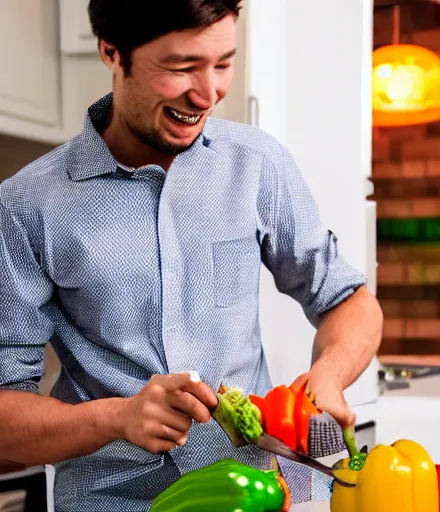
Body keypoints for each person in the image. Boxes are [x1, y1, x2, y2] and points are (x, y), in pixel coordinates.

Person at [0, 1, 383, 510]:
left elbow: (349, 300)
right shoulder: (27, 205)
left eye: (222, 64)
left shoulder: (257, 163)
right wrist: (120, 417)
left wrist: (329, 374)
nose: (208, 94)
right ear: (112, 52)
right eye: (181, 67)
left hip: (259, 493)